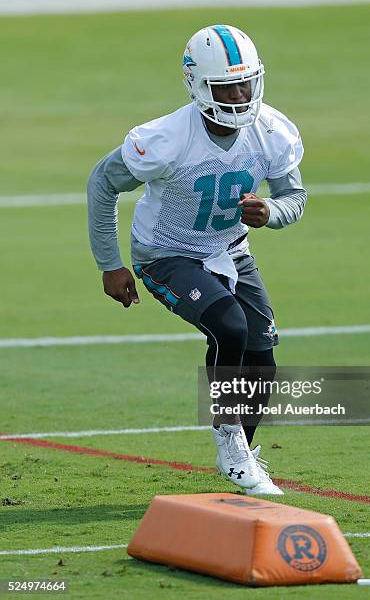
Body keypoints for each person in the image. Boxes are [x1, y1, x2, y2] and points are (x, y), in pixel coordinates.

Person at [87, 24, 307, 495]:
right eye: (226, 86)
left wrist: (271, 211)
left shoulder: (269, 131)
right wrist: (110, 263)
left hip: (230, 249)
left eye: (245, 82)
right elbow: (102, 183)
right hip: (166, 253)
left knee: (263, 356)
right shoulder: (167, 138)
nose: (239, 94)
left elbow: (295, 197)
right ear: (197, 85)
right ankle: (229, 439)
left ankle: (240, 460)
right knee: (230, 327)